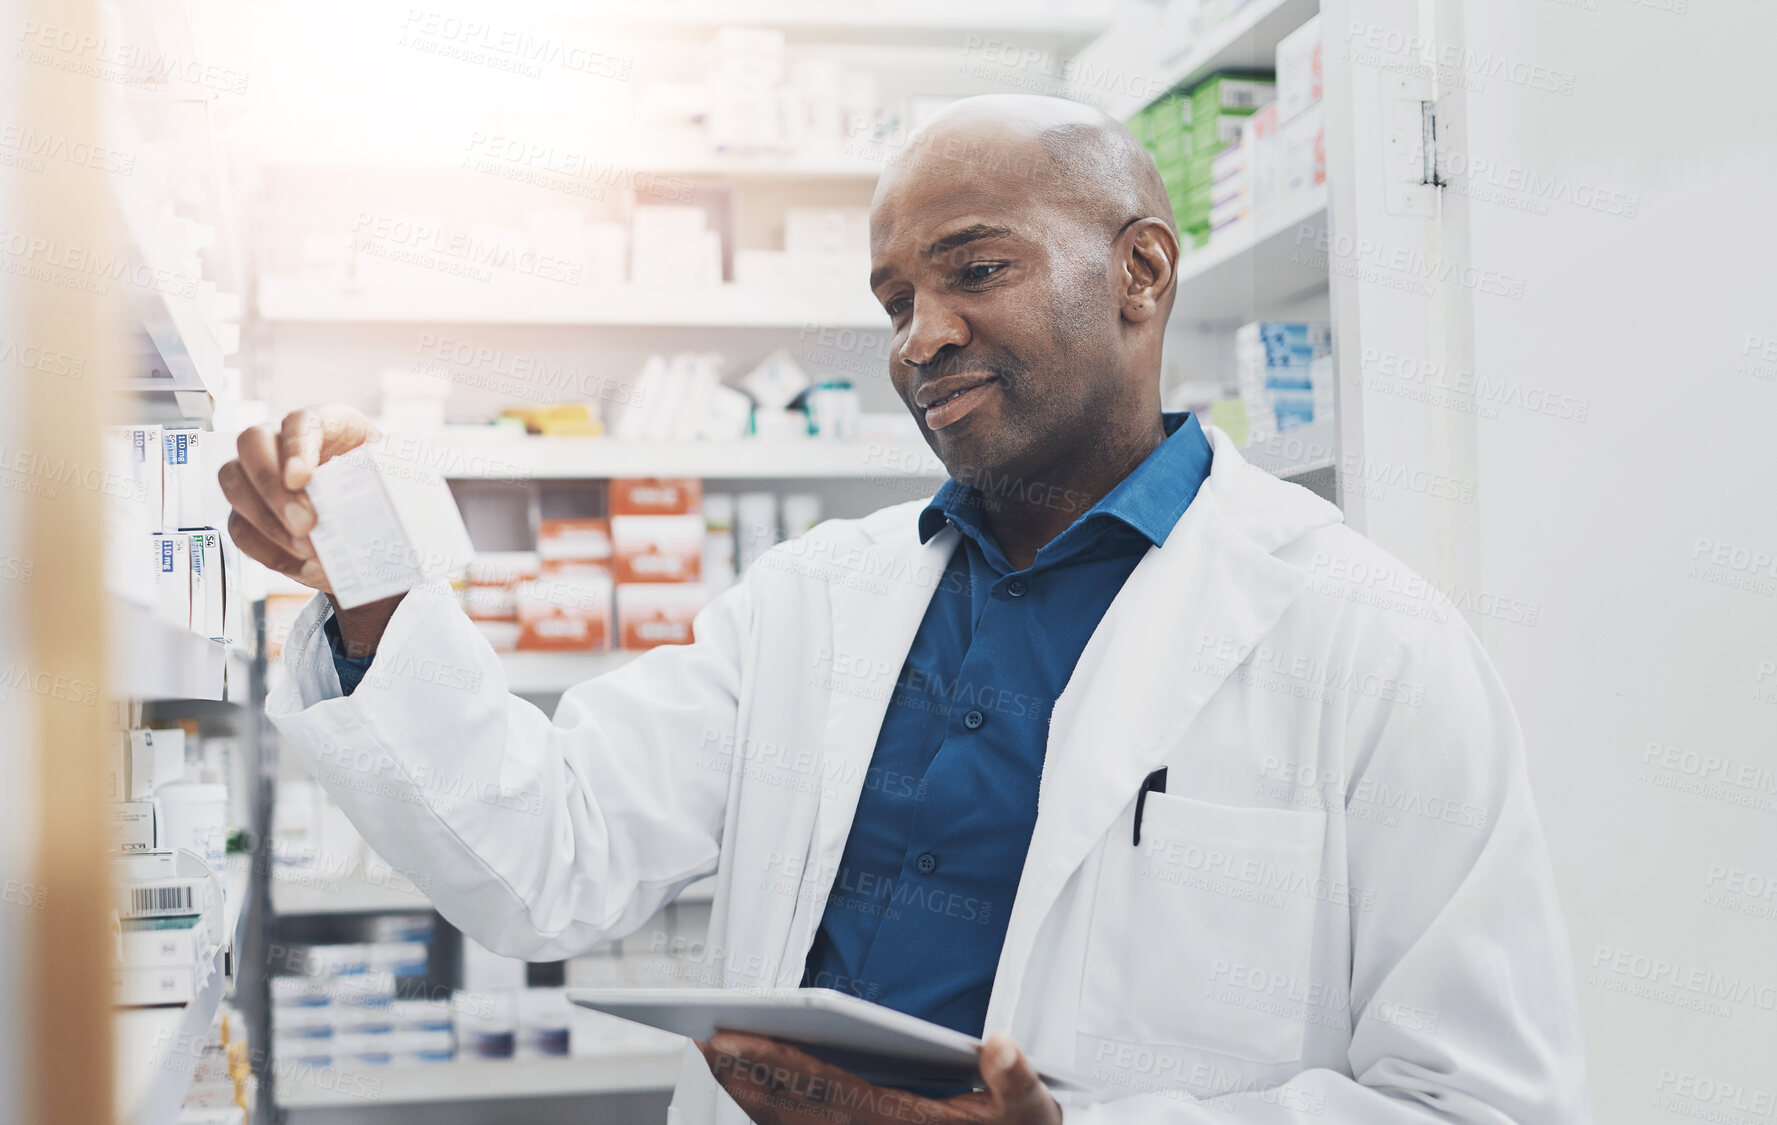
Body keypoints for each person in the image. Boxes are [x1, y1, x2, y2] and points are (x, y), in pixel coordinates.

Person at [220, 96, 1592, 1124]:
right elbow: (545, 851)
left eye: (973, 269)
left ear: (1142, 274)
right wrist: (378, 583)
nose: (917, 336)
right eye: (894, 299)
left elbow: (1475, 1100)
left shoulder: (1369, 642)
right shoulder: (817, 598)